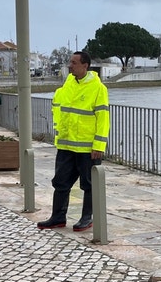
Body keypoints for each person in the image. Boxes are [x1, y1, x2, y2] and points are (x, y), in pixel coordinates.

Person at [36, 51, 109, 232]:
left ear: (85, 65)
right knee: (60, 182)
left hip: (87, 148)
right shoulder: (68, 84)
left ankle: (87, 218)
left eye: (74, 62)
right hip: (66, 144)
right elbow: (58, 108)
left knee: (89, 185)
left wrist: (99, 146)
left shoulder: (98, 88)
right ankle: (58, 217)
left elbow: (103, 119)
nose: (70, 65)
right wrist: (59, 132)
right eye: (70, 62)